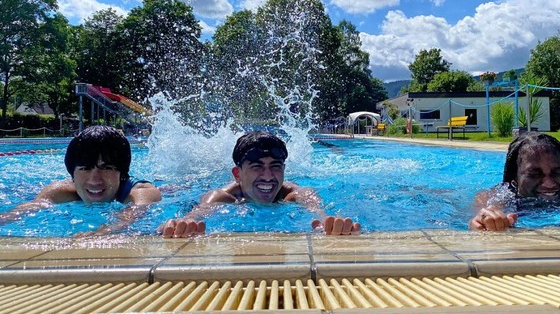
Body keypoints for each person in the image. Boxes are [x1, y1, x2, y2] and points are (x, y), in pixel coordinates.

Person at [158, 131, 361, 238]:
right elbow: (198, 213)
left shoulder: (295, 194)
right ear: (238, 174)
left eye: (275, 166)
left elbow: (317, 210)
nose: (267, 176)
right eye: (257, 167)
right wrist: (183, 224)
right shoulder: (222, 197)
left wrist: (329, 223)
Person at [0, 125, 162, 236]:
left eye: (106, 168)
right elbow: (27, 209)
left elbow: (134, 212)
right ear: (73, 174)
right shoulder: (61, 190)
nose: (95, 180)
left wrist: (104, 232)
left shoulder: (142, 191)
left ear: (121, 172)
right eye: (85, 169)